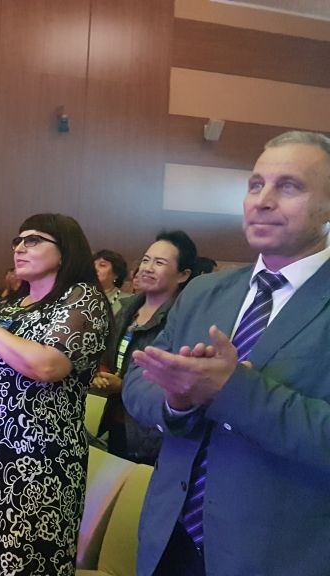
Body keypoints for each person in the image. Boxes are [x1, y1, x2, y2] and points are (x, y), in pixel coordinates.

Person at [123, 131, 330, 575]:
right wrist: (177, 399)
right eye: (255, 185)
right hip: (169, 536)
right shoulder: (205, 291)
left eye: (289, 186)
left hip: (275, 552)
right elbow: (139, 380)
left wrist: (234, 391)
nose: (263, 201)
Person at [0, 213, 109, 576]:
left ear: (65, 250)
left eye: (34, 240)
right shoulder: (9, 308)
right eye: (18, 241)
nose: (20, 248)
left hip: (36, 466)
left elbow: (48, 366)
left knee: (25, 562)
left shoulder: (82, 300)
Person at [93, 231, 197, 464]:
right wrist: (102, 374)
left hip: (152, 433)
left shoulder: (182, 319)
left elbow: (178, 381)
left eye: (159, 263)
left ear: (183, 275)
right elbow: (108, 354)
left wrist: (125, 385)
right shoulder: (128, 309)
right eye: (146, 260)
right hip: (117, 420)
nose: (147, 268)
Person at [94, 249, 129, 314]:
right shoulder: (79, 296)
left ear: (116, 274)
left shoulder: (129, 301)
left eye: (102, 265)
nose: (95, 268)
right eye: (92, 265)